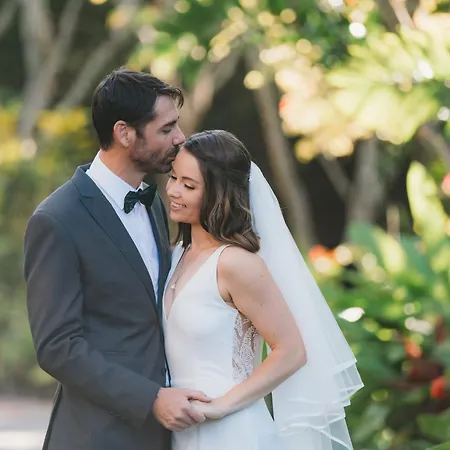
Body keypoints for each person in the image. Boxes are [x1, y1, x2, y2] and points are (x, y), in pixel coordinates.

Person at [23, 69, 211, 450]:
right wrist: (150, 398)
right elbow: (57, 347)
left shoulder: (154, 203)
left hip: (167, 433)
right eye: (166, 128)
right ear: (124, 133)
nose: (180, 138)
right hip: (97, 435)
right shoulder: (57, 220)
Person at [163, 129, 364, 450]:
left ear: (219, 193)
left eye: (189, 185)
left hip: (232, 433)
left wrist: (220, 406)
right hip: (181, 432)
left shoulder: (236, 263)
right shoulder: (177, 255)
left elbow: (292, 351)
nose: (173, 190)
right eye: (173, 177)